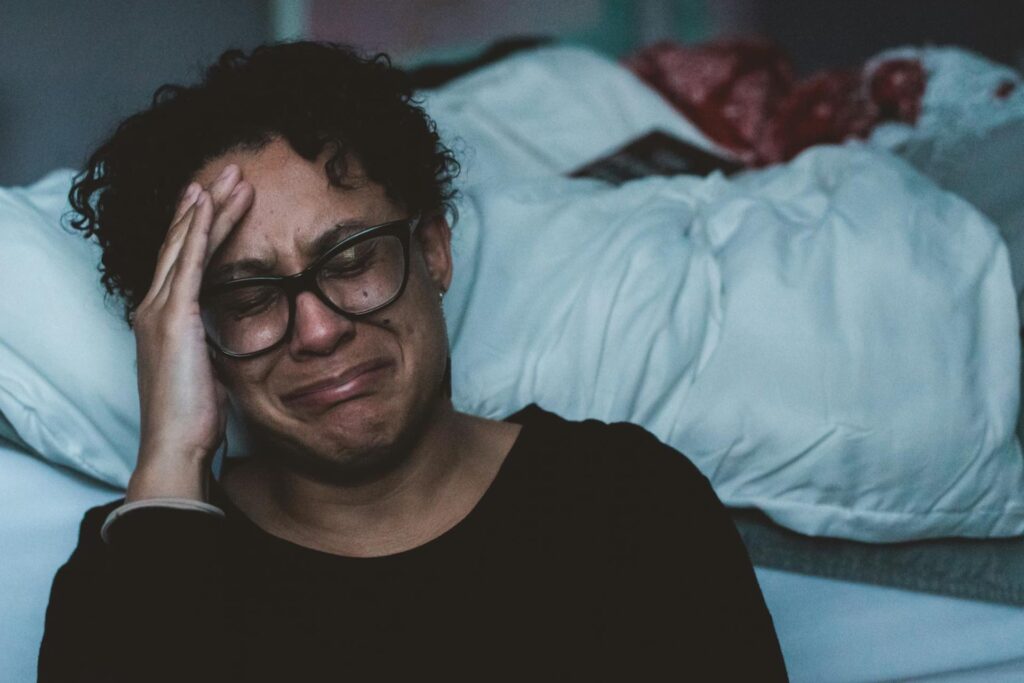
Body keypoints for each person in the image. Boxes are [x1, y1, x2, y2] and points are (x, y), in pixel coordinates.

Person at [37, 41, 787, 681]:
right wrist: (172, 456)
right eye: (249, 297)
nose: (318, 330)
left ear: (432, 251)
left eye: (352, 259)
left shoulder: (627, 502)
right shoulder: (135, 563)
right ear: (196, 336)